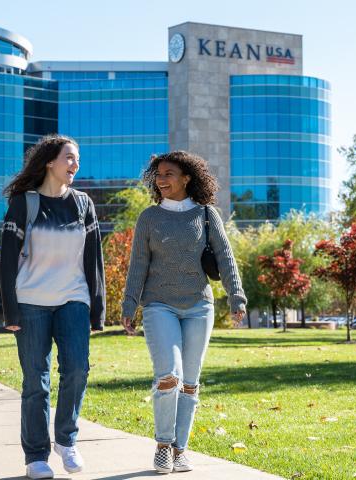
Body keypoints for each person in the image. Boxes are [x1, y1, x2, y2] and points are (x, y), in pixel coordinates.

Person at [122, 151, 246, 474]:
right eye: (158, 175)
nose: (161, 180)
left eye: (169, 174)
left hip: (199, 306)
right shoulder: (149, 218)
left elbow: (226, 257)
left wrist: (237, 297)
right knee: (169, 376)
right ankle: (163, 446)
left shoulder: (206, 215)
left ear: (187, 178)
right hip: (158, 305)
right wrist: (129, 304)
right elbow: (138, 265)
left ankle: (180, 449)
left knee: (190, 382)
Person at [0, 134, 105, 480]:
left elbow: (94, 259)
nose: (75, 164)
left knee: (77, 369)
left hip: (73, 298)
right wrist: (10, 309)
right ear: (49, 161)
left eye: (77, 159)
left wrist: (97, 307)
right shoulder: (24, 203)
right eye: (69, 158)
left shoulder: (83, 204)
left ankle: (66, 439)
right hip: (31, 301)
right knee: (36, 381)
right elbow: (9, 260)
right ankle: (35, 456)